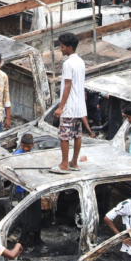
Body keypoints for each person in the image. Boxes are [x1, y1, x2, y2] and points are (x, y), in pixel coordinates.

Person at [51, 33, 88, 175]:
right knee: (78, 135)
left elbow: (67, 86)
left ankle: (64, 164)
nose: (60, 49)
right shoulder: (80, 61)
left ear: (69, 48)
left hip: (70, 107)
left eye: (62, 47)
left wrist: (60, 107)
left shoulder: (68, 63)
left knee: (64, 136)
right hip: (79, 107)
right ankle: (74, 162)